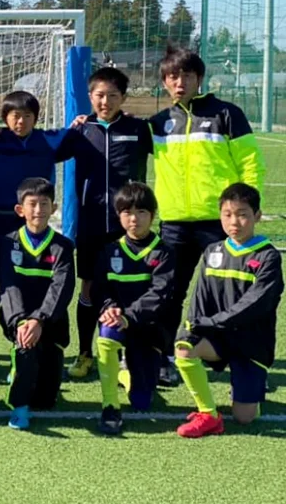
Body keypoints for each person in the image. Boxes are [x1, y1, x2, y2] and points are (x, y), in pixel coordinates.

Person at [149, 46, 266, 386]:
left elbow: (250, 163)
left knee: (232, 293)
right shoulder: (158, 123)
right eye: (173, 76)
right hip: (174, 224)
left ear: (199, 78)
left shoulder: (227, 114)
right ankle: (165, 357)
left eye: (187, 75)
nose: (180, 82)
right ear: (164, 81)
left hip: (220, 223)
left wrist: (248, 209)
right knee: (169, 292)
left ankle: (243, 361)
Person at [174, 183, 283, 438]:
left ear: (257, 216)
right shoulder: (213, 251)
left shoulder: (268, 257)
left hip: (251, 342)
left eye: (243, 214)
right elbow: (200, 296)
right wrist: (192, 325)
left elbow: (255, 304)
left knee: (245, 418)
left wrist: (213, 322)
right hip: (218, 336)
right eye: (228, 214)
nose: (235, 222)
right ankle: (208, 415)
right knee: (184, 346)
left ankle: (249, 392)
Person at [0, 90, 75, 379]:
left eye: (27, 116)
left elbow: (78, 136)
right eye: (14, 116)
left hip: (37, 223)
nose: (20, 121)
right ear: (4, 118)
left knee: (36, 285)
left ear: (36, 118)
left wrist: (85, 121)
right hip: (2, 222)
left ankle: (38, 345)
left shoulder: (47, 140)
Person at [67, 68, 151, 380]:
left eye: (113, 95)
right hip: (90, 224)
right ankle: (84, 352)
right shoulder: (81, 130)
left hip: (127, 226)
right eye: (100, 95)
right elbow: (49, 149)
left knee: (127, 288)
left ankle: (128, 355)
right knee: (89, 287)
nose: (106, 101)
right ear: (90, 97)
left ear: (123, 98)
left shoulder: (138, 128)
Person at [91, 183, 175, 435]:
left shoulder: (164, 252)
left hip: (148, 329)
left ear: (153, 215)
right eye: (127, 212)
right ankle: (110, 407)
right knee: (106, 333)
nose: (134, 218)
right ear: (119, 215)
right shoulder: (110, 250)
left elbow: (160, 294)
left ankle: (126, 374)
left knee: (141, 401)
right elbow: (100, 289)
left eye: (141, 212)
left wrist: (129, 316)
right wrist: (109, 308)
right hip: (118, 322)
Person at [0, 178, 75, 430]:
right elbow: (9, 286)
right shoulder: (8, 243)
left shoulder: (63, 246)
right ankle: (19, 406)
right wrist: (22, 320)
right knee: (25, 348)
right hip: (19, 320)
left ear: (54, 208)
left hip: (50, 322)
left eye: (44, 204)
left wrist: (39, 319)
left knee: (45, 400)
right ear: (20, 210)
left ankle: (28, 373)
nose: (38, 210)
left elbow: (61, 288)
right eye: (32, 204)